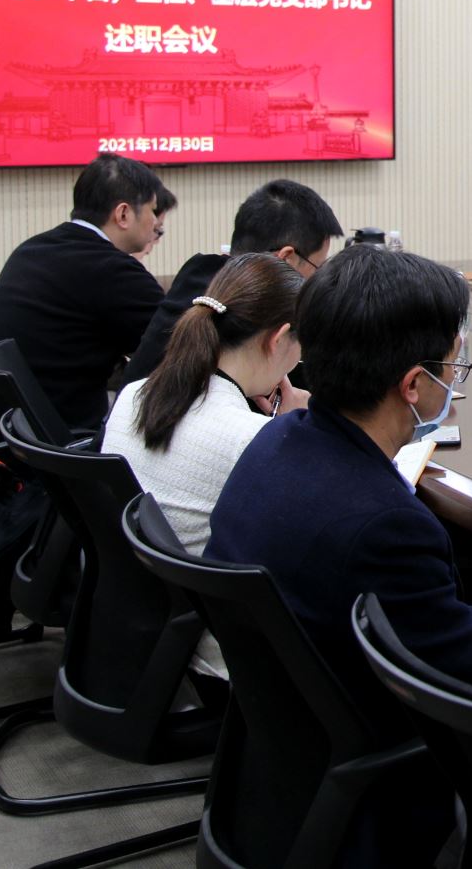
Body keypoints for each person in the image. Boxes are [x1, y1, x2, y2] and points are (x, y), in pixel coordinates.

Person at [207, 245, 472, 860]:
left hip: (276, 776)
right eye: (453, 364)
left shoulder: (274, 442)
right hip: (385, 798)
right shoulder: (385, 527)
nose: (455, 379)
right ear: (414, 385)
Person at [103, 253, 306, 678]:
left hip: (146, 632)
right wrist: (293, 431)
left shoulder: (134, 395)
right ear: (278, 339)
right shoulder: (252, 438)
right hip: (223, 655)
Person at [0, 153, 170, 446]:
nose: (155, 222)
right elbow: (183, 347)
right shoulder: (110, 269)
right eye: (152, 211)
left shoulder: (34, 248)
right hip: (50, 449)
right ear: (123, 214)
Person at [120, 178, 341, 388]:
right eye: (318, 268)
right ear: (286, 259)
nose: (315, 282)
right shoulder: (256, 315)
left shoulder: (198, 272)